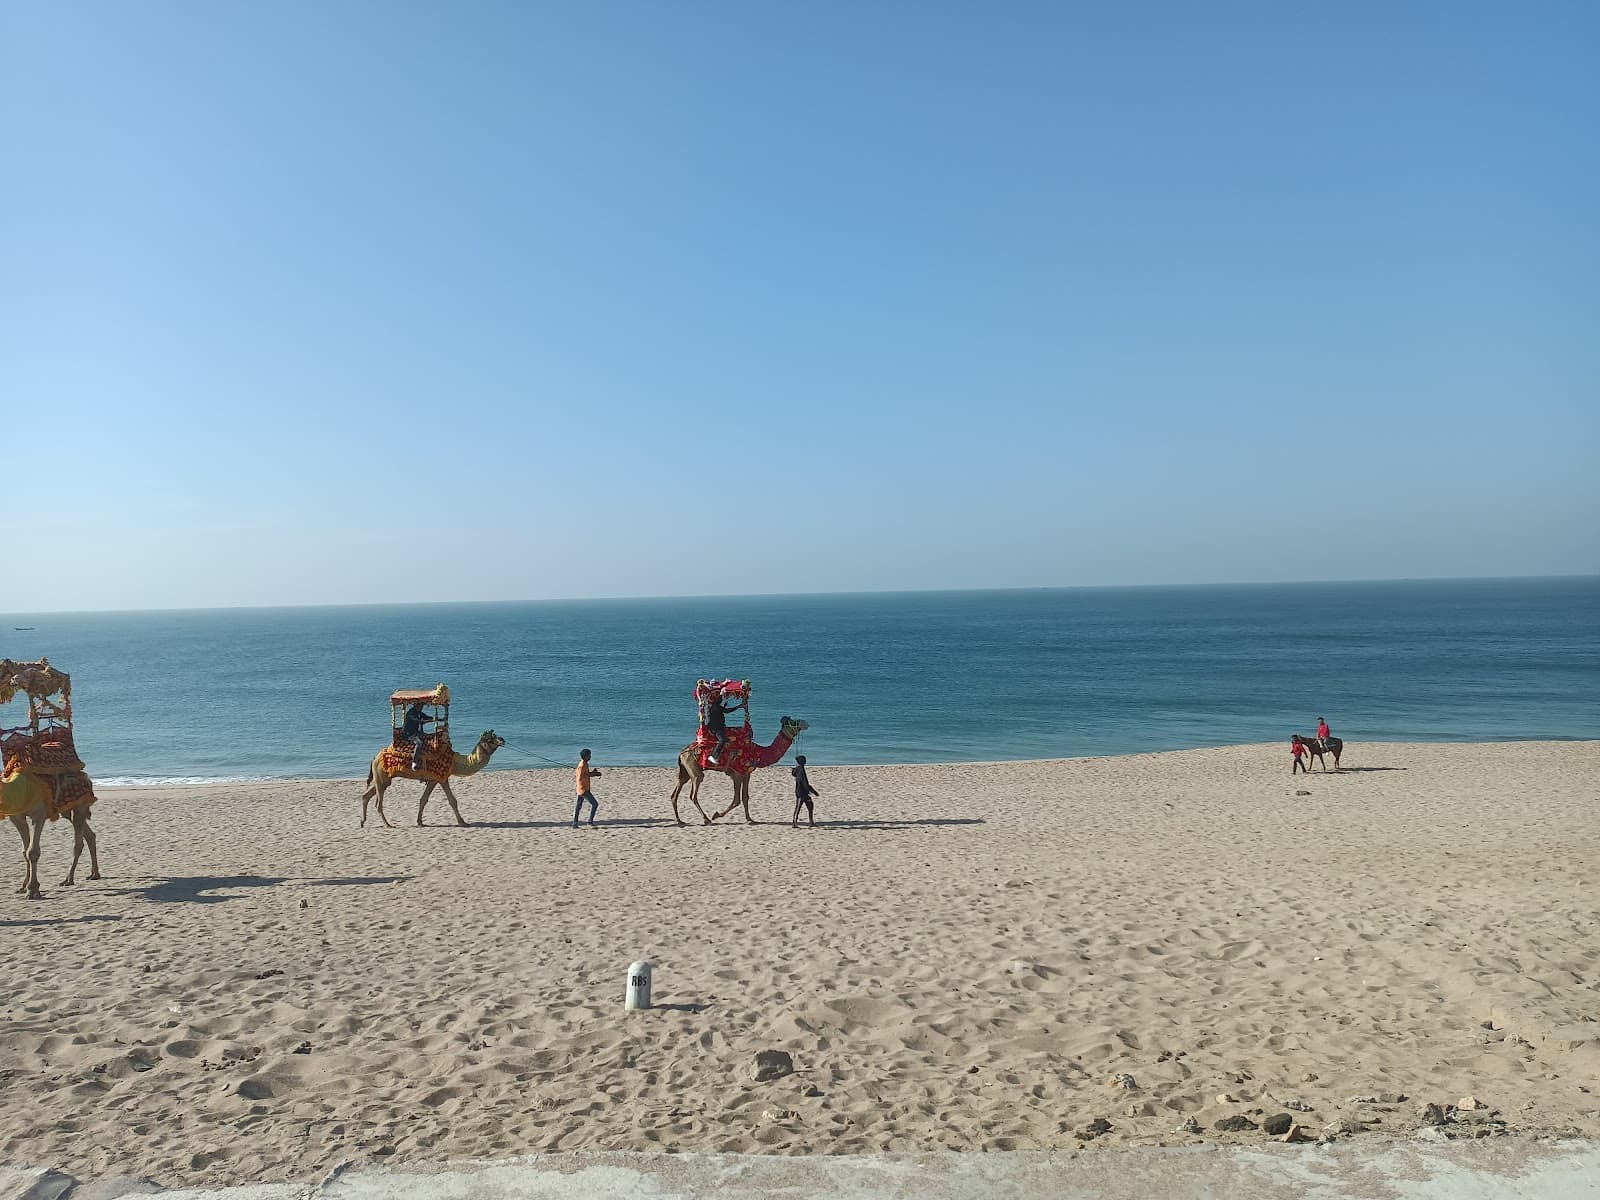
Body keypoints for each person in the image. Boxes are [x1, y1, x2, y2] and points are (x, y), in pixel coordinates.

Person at [704, 690, 745, 766]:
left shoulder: (710, 706)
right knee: (722, 740)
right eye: (720, 699)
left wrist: (723, 707)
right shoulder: (715, 707)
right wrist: (738, 707)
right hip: (716, 728)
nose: (721, 700)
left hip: (715, 726)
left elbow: (720, 711)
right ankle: (713, 756)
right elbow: (726, 711)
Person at [400, 702, 437, 771]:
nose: (422, 707)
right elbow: (418, 721)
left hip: (417, 732)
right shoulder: (411, 713)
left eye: (422, 705)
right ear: (417, 705)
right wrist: (429, 720)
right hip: (409, 734)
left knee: (430, 737)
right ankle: (414, 763)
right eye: (421, 705)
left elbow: (426, 717)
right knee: (419, 743)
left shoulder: (419, 712)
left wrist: (437, 719)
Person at [791, 754, 820, 828]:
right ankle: (795, 823)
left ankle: (810, 822)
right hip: (802, 792)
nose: (805, 761)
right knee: (799, 807)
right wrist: (813, 791)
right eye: (804, 760)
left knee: (809, 806)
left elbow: (793, 773)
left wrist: (793, 770)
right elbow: (805, 783)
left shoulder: (798, 769)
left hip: (800, 792)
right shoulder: (801, 770)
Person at [574, 748, 601, 827]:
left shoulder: (585, 764)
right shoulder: (582, 765)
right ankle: (590, 822)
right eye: (589, 755)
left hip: (583, 789)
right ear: (585, 756)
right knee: (595, 804)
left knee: (578, 806)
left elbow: (586, 774)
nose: (590, 756)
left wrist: (593, 773)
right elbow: (580, 777)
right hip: (583, 789)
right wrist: (592, 774)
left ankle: (575, 823)